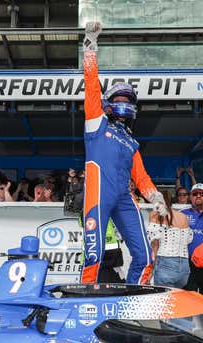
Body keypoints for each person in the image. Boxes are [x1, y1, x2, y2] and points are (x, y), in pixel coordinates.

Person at [81, 22, 167, 285]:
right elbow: (91, 84)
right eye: (120, 100)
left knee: (145, 258)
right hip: (97, 193)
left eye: (129, 101)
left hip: (123, 197)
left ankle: (131, 301)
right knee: (94, 257)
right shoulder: (97, 121)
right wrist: (90, 46)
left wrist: (156, 196)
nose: (125, 104)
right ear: (108, 103)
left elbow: (141, 177)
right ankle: (82, 302)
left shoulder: (131, 141)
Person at [148, 190, 193, 288]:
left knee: (163, 300)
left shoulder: (156, 215)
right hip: (184, 267)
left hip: (165, 263)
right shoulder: (183, 217)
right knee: (176, 300)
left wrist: (151, 271)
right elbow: (188, 240)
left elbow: (155, 246)